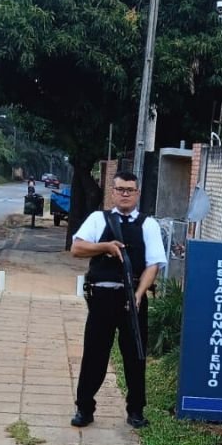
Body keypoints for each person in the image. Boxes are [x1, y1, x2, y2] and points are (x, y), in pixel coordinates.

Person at [70, 171, 167, 429]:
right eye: (120, 189)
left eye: (130, 190)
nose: (125, 194)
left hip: (132, 299)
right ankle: (84, 408)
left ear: (137, 194)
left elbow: (153, 265)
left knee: (135, 355)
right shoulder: (98, 219)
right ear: (112, 192)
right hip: (101, 298)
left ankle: (136, 411)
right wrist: (106, 247)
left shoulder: (149, 225)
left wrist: (138, 294)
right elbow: (77, 248)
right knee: (94, 354)